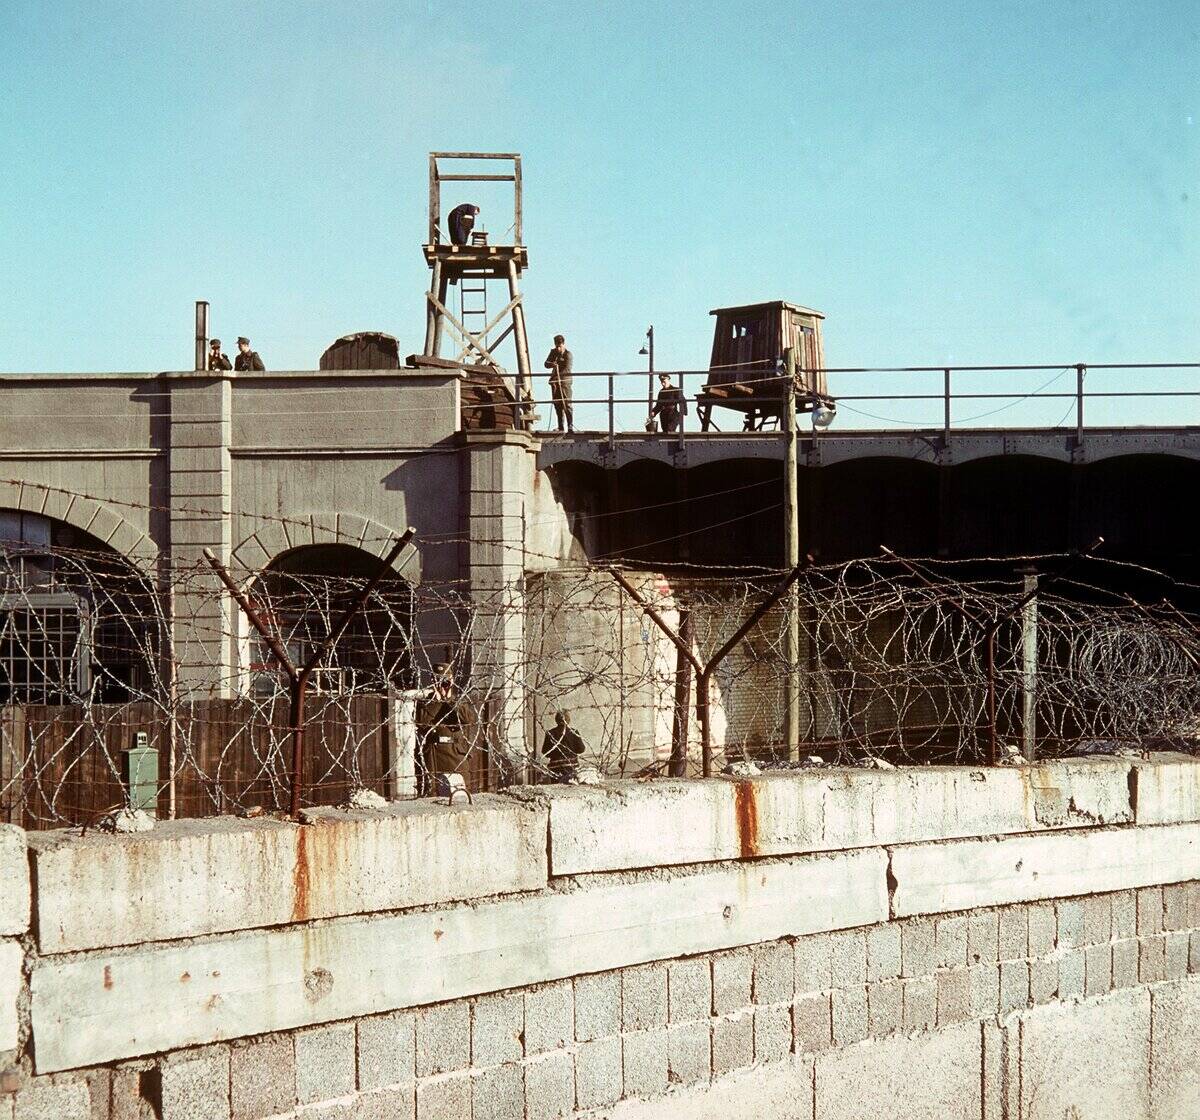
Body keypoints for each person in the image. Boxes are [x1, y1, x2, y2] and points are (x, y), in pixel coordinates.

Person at [415, 663, 469, 794]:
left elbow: (466, 719)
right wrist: (436, 700)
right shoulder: (425, 703)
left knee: (458, 795)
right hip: (433, 757)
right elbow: (423, 724)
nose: (442, 684)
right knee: (433, 796)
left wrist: (448, 699)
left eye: (445, 680)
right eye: (438, 680)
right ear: (433, 681)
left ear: (452, 680)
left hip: (455, 756)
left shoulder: (459, 701)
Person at [540, 710, 586, 781]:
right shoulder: (574, 732)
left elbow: (545, 752)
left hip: (556, 768)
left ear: (556, 720)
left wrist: (556, 754)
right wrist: (571, 751)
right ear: (568, 720)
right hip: (571, 766)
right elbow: (581, 749)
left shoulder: (550, 733)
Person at [544, 334, 574, 432]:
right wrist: (552, 364)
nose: (558, 348)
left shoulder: (568, 355)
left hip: (565, 382)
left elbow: (566, 369)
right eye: (556, 346)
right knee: (557, 405)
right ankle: (560, 426)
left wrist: (557, 376)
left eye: (559, 346)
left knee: (567, 403)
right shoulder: (553, 353)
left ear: (563, 344)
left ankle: (570, 426)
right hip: (555, 383)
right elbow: (546, 364)